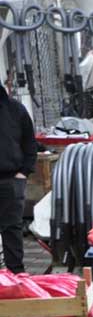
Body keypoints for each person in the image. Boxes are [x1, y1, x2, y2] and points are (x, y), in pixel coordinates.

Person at [0, 84, 36, 274]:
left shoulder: (15, 110)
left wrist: (24, 172)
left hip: (11, 179)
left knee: (12, 229)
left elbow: (30, 143)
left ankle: (16, 276)